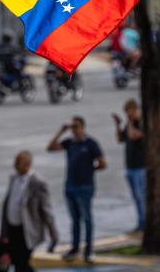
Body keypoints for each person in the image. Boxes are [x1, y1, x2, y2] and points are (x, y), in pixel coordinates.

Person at [46, 116, 107, 263]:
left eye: (76, 127)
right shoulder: (69, 143)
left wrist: (90, 170)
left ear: (83, 127)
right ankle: (74, 248)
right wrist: (60, 132)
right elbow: (50, 147)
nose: (74, 130)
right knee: (75, 219)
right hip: (70, 186)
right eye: (72, 127)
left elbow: (103, 163)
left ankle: (89, 249)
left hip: (85, 187)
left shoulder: (91, 144)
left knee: (87, 218)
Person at [0, 151, 58, 272]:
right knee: (18, 262)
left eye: (17, 163)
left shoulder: (38, 183)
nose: (14, 166)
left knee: (21, 268)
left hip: (27, 231)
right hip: (12, 228)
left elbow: (46, 210)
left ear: (27, 165)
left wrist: (53, 233)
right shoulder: (14, 178)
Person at [112, 99, 146, 233]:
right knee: (136, 198)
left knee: (141, 196)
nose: (128, 114)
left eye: (130, 111)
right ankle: (141, 222)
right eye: (126, 111)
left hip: (140, 167)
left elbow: (133, 136)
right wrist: (117, 125)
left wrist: (130, 122)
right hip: (130, 166)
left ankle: (144, 223)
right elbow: (120, 139)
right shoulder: (129, 125)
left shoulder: (140, 123)